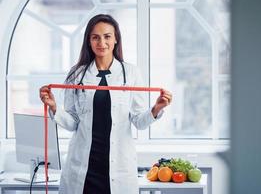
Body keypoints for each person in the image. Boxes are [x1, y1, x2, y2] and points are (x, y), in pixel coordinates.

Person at [39, 14, 172, 194]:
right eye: (95, 37)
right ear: (89, 40)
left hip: (119, 167)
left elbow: (139, 122)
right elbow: (72, 123)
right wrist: (54, 107)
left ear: (116, 39)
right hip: (83, 168)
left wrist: (157, 108)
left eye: (107, 36)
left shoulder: (131, 73)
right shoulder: (76, 74)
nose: (101, 42)